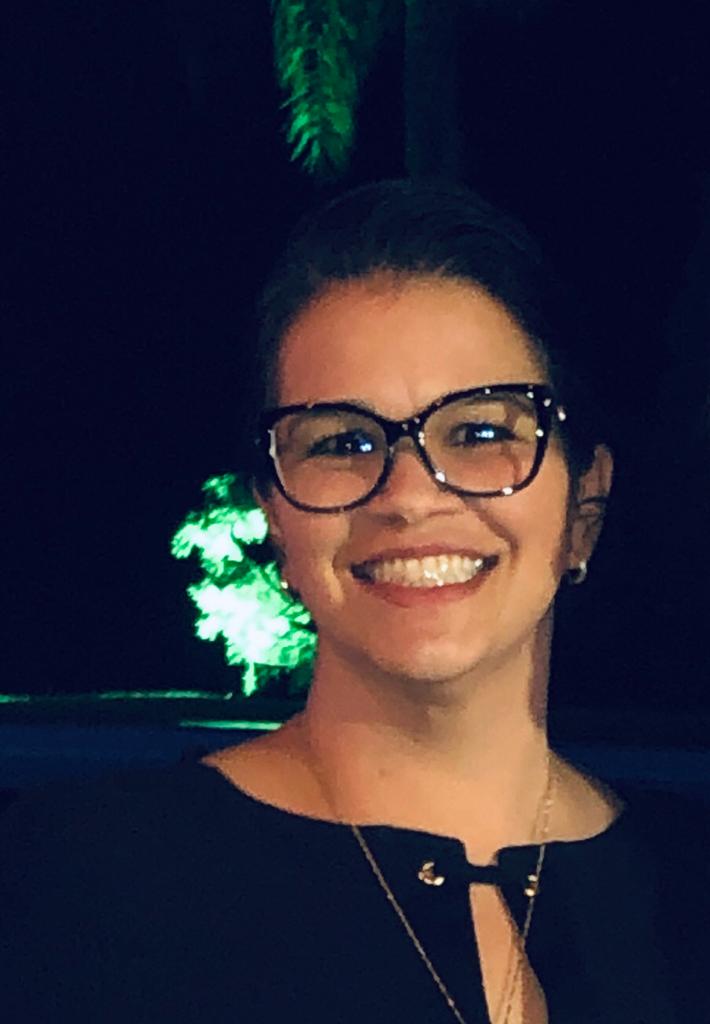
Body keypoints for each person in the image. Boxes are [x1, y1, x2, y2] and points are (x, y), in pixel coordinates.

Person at [0, 179, 707, 1024]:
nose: (408, 496)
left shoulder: (682, 886)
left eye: (480, 432)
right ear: (275, 515)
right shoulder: (80, 881)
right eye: (342, 442)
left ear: (584, 502)